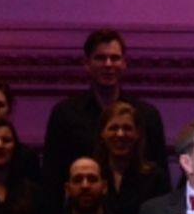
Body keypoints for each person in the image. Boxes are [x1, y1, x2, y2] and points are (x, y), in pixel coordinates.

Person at [42, 29, 167, 194]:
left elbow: (160, 178)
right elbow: (52, 177)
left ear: (124, 63)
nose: (108, 64)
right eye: (100, 58)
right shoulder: (65, 114)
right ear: (86, 64)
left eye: (115, 58)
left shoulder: (147, 115)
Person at [94, 100, 172, 214]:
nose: (120, 134)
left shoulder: (155, 178)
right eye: (113, 128)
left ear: (138, 134)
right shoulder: (91, 177)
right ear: (102, 134)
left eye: (127, 128)